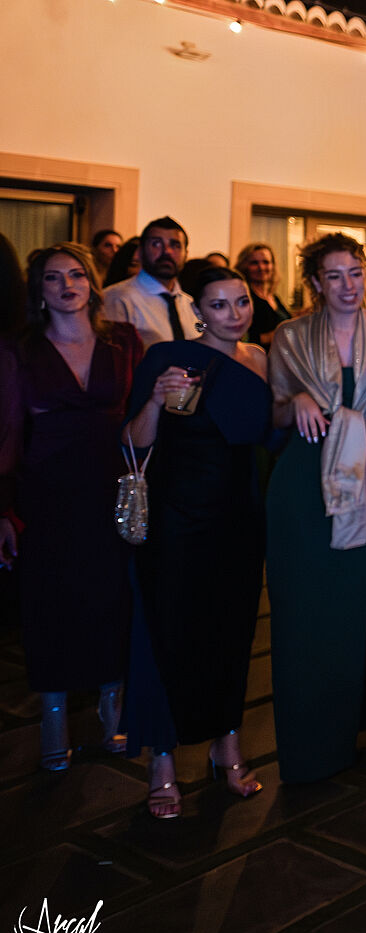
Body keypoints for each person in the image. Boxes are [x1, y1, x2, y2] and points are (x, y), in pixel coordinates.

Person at [266, 233, 366, 782]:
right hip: (304, 479)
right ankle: (318, 739)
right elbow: (275, 416)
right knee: (312, 608)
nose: (348, 285)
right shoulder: (289, 336)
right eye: (334, 276)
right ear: (315, 282)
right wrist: (296, 400)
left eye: (355, 273)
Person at [121, 266, 271, 817]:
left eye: (241, 301)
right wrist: (155, 400)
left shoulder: (261, 359)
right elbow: (132, 442)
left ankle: (226, 744)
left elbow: (269, 434)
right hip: (178, 516)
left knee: (232, 632)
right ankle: (161, 763)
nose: (234, 314)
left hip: (240, 516)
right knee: (171, 631)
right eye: (219, 305)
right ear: (198, 312)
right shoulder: (169, 357)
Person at [0, 243, 141, 771]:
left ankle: (112, 705)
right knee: (49, 605)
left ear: (92, 284)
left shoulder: (124, 340)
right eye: (53, 277)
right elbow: (7, 432)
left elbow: (144, 413)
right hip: (47, 494)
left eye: (77, 274)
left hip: (111, 488)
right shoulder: (18, 349)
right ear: (38, 290)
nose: (67, 285)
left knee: (113, 597)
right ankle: (54, 714)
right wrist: (3, 510)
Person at [103, 216, 198, 348]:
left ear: (186, 254)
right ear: (140, 252)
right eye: (156, 244)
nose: (167, 251)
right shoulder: (117, 299)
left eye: (175, 245)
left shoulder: (191, 305)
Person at [235, 242, 290, 347]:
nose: (261, 267)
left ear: (273, 266)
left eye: (266, 262)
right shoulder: (244, 297)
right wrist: (277, 335)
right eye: (254, 263)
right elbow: (244, 337)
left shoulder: (273, 296)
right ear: (244, 266)